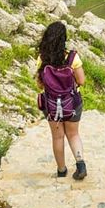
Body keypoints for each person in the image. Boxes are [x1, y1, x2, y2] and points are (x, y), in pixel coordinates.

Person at [36, 21, 87, 180]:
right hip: (72, 102)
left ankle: (61, 170)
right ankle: (80, 164)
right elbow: (82, 80)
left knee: (58, 137)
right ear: (63, 39)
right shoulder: (72, 57)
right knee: (73, 134)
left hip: (51, 105)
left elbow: (39, 83)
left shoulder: (42, 58)